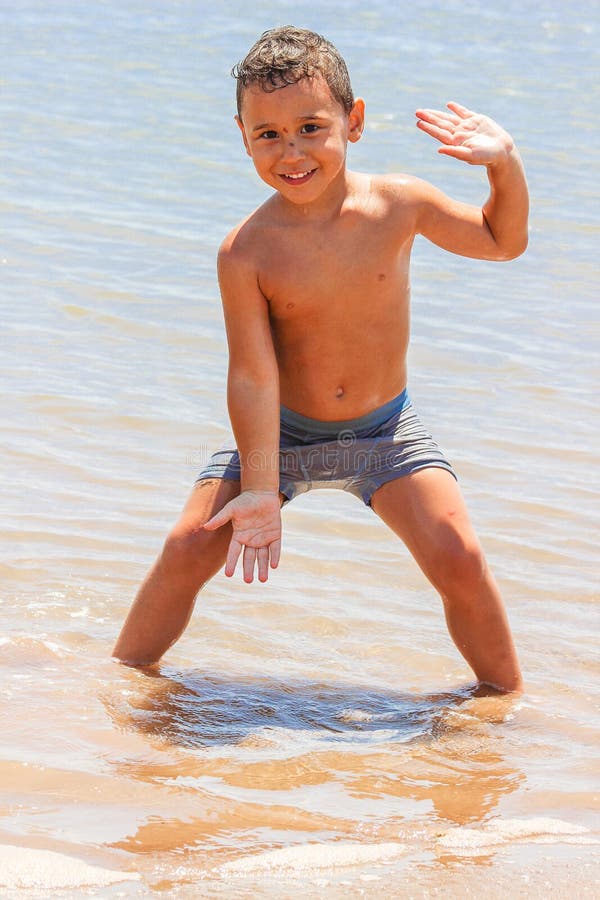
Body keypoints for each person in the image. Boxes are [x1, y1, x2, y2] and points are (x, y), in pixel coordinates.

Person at [113, 26, 528, 692]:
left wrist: (503, 163)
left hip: (384, 431)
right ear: (242, 136)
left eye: (310, 126)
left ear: (353, 121)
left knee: (460, 554)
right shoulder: (245, 250)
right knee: (187, 546)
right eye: (268, 135)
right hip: (283, 434)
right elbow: (251, 372)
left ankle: (507, 705)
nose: (292, 151)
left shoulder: (400, 205)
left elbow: (503, 242)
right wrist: (257, 486)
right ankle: (120, 683)